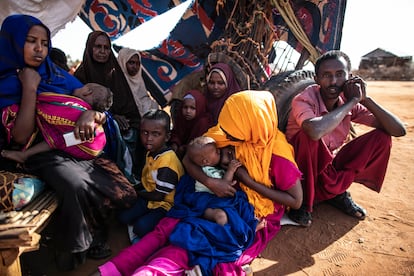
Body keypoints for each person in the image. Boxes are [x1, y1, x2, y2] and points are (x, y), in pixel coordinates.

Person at [97, 90, 303, 275]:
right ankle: (115, 269)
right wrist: (211, 182)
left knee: (209, 245)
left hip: (253, 209)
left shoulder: (278, 154)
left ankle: (154, 270)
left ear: (251, 123)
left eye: (232, 129)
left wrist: (247, 180)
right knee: (171, 227)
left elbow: (295, 201)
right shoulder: (228, 132)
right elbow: (189, 157)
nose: (226, 134)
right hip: (211, 192)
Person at [0, 14, 137, 271]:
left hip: (74, 145)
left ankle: (96, 233)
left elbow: (96, 105)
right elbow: (19, 137)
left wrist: (91, 113)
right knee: (75, 184)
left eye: (44, 42)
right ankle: (75, 249)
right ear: (13, 41)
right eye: (31, 41)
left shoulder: (57, 75)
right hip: (37, 153)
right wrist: (30, 89)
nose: (40, 49)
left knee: (121, 188)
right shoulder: (7, 83)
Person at [284, 50, 406, 227]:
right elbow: (314, 131)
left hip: (326, 168)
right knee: (308, 136)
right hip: (299, 174)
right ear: (316, 79)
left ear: (349, 77)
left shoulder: (348, 100)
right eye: (326, 75)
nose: (333, 82)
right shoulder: (304, 99)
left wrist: (365, 99)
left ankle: (336, 192)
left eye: (339, 74)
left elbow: (398, 130)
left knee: (382, 137)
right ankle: (302, 205)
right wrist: (352, 101)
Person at [74, 31, 145, 180]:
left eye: (106, 47)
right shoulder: (81, 75)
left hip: (123, 126)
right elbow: (80, 107)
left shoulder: (115, 72)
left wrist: (126, 121)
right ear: (89, 48)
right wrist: (111, 117)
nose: (102, 51)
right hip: (92, 127)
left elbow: (130, 108)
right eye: (98, 46)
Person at [1, 82, 113, 162]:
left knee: (57, 138)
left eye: (83, 86)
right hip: (96, 145)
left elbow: (48, 103)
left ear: (88, 92)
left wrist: (33, 95)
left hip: (84, 135)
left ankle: (24, 154)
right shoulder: (89, 112)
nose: (78, 87)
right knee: (59, 139)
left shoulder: (73, 106)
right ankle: (24, 155)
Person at [118, 109, 184, 242]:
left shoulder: (167, 164)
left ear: (167, 137)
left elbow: (159, 196)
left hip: (165, 204)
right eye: (145, 132)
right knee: (122, 217)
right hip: (150, 196)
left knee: (140, 228)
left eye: (156, 134)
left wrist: (134, 193)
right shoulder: (152, 151)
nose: (149, 138)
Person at [186, 136, 242, 225]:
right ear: (206, 161)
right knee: (221, 216)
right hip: (205, 200)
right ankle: (224, 233)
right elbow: (224, 184)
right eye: (216, 152)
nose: (219, 151)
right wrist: (231, 170)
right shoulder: (208, 171)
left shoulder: (211, 167)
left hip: (211, 198)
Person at [170, 89, 213, 159]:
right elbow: (176, 133)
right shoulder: (181, 117)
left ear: (199, 107)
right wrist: (175, 143)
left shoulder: (203, 122)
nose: (188, 111)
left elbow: (198, 143)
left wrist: (183, 148)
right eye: (185, 107)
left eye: (192, 108)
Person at [117, 47, 159, 117]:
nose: (135, 66)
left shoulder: (140, 82)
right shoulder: (117, 84)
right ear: (123, 62)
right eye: (131, 63)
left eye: (138, 63)